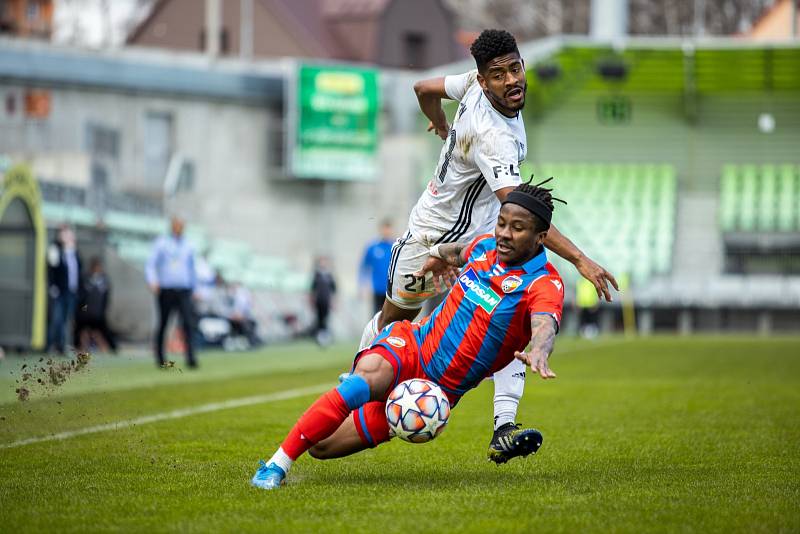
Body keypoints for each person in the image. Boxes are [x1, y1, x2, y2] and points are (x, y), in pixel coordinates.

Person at [355, 29, 618, 464]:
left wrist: (438, 121)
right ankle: (355, 381)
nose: (512, 79)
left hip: (479, 244)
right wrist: (580, 259)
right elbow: (522, 211)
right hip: (431, 242)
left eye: (516, 68)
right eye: (499, 75)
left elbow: (423, 89)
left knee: (512, 318)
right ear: (483, 81)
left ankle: (504, 427)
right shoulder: (492, 136)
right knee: (391, 324)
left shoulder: (470, 86)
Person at [252, 183, 564, 490]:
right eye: (501, 223)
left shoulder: (543, 284)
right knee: (363, 381)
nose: (504, 234)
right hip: (412, 346)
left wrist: (540, 348)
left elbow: (545, 323)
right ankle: (275, 466)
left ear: (540, 237)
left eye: (517, 228)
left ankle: (362, 400)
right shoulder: (485, 247)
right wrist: (438, 254)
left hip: (436, 392)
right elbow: (459, 250)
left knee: (321, 447)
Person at [145, 216, 198, 369]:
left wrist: (195, 287)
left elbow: (192, 268)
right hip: (167, 289)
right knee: (163, 323)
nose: (179, 228)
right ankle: (160, 358)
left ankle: (191, 357)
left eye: (181, 225)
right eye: (176, 225)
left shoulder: (188, 245)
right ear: (172, 226)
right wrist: (152, 281)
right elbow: (150, 264)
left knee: (188, 324)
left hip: (184, 289)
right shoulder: (161, 243)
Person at [46, 224, 81, 355]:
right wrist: (52, 287)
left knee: (68, 321)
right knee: (57, 319)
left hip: (72, 292)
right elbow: (51, 270)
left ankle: (64, 346)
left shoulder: (74, 253)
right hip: (60, 292)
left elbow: (78, 272)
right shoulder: (55, 250)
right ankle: (51, 345)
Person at [74, 257, 117, 353]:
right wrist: (82, 310)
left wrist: (102, 310)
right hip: (85, 311)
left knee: (102, 330)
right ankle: (78, 347)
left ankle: (111, 347)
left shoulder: (104, 280)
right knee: (80, 329)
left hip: (98, 312)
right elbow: (82, 297)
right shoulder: (86, 279)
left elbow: (106, 297)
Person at [359, 220, 395, 314]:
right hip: (377, 289)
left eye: (388, 229)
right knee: (376, 317)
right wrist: (363, 285)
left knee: (390, 318)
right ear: (380, 230)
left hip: (392, 290)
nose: (386, 231)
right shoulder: (373, 247)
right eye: (385, 229)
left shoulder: (395, 247)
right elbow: (364, 267)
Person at [310, 256, 337, 346]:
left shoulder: (329, 275)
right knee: (319, 319)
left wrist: (334, 301)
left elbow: (334, 289)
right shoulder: (316, 274)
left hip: (327, 301)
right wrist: (311, 299)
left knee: (326, 319)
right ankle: (319, 337)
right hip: (319, 300)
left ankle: (325, 337)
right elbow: (312, 289)